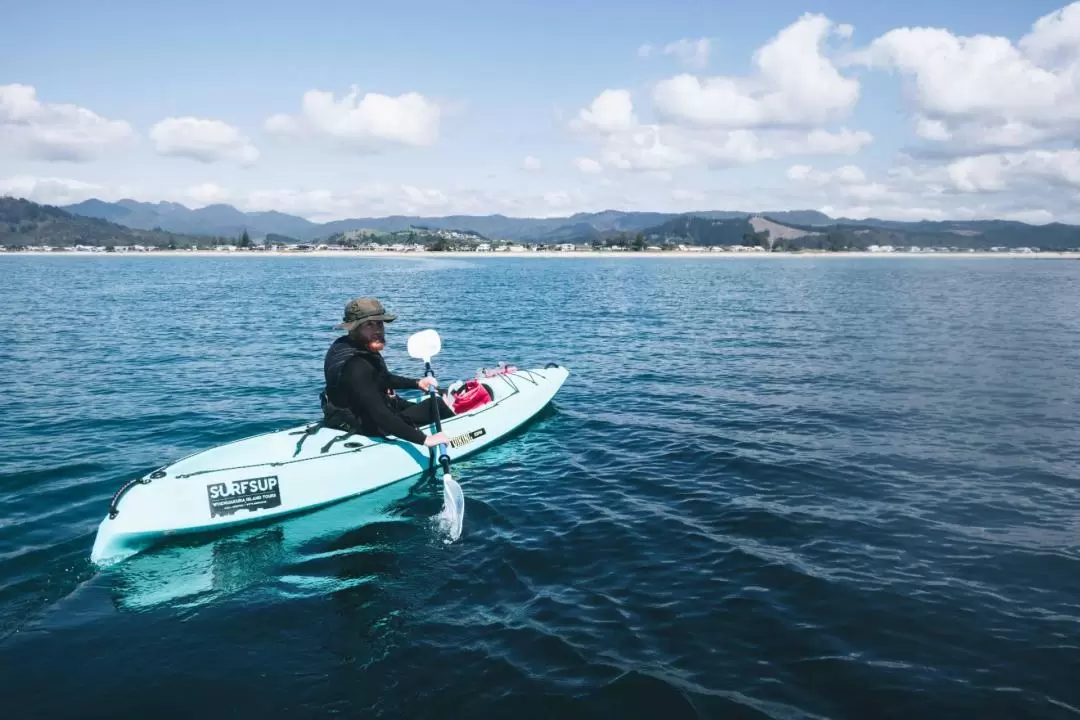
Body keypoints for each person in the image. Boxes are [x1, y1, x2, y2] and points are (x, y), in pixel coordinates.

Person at [320, 297, 454, 448]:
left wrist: (416, 383)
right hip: (366, 425)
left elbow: (382, 378)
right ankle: (458, 432)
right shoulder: (357, 365)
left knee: (438, 396)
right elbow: (380, 415)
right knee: (437, 404)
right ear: (354, 328)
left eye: (379, 323)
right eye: (369, 325)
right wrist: (425, 440)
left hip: (345, 416)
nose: (377, 330)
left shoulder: (346, 346)